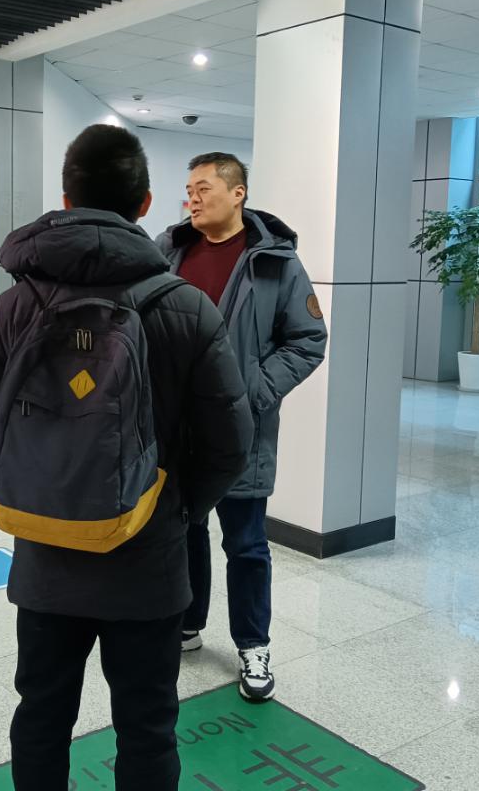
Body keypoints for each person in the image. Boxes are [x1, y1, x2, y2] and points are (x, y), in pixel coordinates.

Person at [0, 125, 253, 790]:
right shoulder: (187, 307)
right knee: (147, 724)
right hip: (148, 563)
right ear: (145, 203)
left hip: (46, 559)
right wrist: (173, 510)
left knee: (41, 712)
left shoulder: (13, 307)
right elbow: (228, 445)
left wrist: (44, 490)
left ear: (66, 198)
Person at [158, 153, 327, 702]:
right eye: (189, 189)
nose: (192, 198)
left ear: (238, 193)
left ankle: (253, 645)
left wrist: (252, 393)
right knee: (183, 531)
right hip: (177, 428)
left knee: (247, 543)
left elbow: (308, 340)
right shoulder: (168, 252)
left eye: (204, 188)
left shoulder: (275, 262)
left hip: (239, 430)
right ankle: (187, 623)